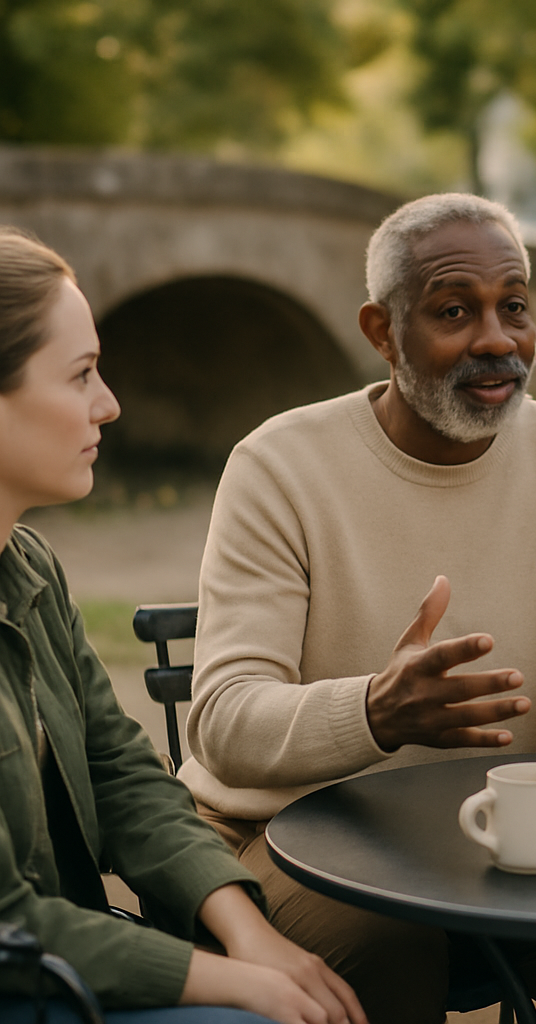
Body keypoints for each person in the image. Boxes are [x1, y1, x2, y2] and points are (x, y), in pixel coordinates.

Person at [180, 193, 536, 1024]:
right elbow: (223, 722)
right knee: (389, 950)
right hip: (285, 834)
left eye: (515, 306)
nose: (497, 339)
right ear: (383, 332)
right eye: (455, 311)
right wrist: (375, 713)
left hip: (492, 833)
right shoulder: (278, 466)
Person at [0, 228, 368, 1024]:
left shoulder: (31, 568)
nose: (109, 404)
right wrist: (236, 983)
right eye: (82, 374)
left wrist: (249, 934)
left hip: (71, 965)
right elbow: (9, 925)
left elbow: (123, 774)